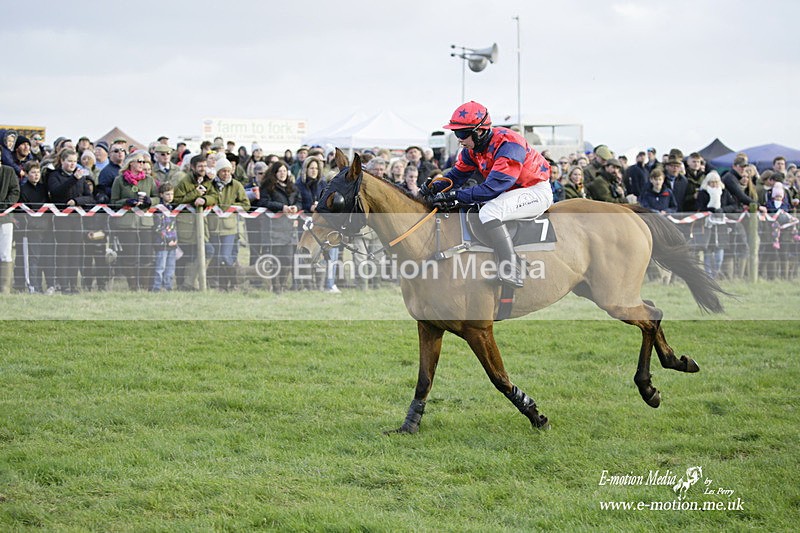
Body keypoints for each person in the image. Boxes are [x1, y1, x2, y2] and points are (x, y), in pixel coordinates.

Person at [428, 101, 552, 288]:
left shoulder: (509, 144)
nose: (459, 139)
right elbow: (456, 176)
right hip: (510, 192)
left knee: (489, 212)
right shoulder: (473, 149)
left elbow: (492, 188)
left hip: (534, 190)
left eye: (461, 134)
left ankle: (512, 270)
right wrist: (431, 188)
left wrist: (454, 196)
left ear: (479, 131)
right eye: (456, 133)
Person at [47, 148, 94, 293]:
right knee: (63, 252)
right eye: (69, 161)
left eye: (75, 161)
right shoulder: (54, 175)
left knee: (75, 252)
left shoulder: (81, 177)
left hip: (76, 219)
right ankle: (63, 284)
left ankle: (74, 284)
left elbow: (90, 197)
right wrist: (73, 179)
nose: (73, 164)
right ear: (62, 161)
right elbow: (56, 192)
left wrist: (76, 200)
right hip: (61, 220)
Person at [110, 151, 159, 291]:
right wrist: (126, 201)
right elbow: (113, 202)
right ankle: (132, 285)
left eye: (144, 162)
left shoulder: (149, 180)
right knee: (129, 255)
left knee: (147, 255)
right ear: (131, 163)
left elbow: (157, 198)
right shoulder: (119, 180)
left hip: (145, 224)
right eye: (139, 161)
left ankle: (144, 285)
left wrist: (150, 201)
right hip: (127, 223)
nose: (142, 164)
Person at [173, 155, 218, 290]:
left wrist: (205, 200)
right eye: (200, 166)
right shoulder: (184, 181)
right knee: (188, 256)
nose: (203, 169)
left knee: (207, 251)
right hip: (186, 226)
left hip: (201, 226)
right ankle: (184, 284)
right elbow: (176, 200)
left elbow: (215, 196)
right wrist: (194, 194)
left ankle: (190, 282)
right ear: (193, 167)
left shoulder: (208, 181)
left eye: (205, 166)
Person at [257, 161, 300, 293]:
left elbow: (299, 200)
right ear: (274, 173)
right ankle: (275, 286)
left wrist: (296, 207)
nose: (282, 174)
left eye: (284, 171)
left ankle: (282, 284)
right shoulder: (267, 186)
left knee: (287, 258)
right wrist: (281, 207)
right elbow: (264, 202)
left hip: (289, 227)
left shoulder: (293, 187)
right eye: (280, 171)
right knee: (275, 257)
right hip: (273, 227)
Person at [207, 158, 249, 290]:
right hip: (213, 226)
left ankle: (234, 280)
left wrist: (231, 207)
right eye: (223, 171)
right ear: (218, 172)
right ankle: (223, 285)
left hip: (230, 228)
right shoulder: (210, 185)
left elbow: (246, 204)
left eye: (228, 171)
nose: (226, 174)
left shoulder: (236, 185)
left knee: (226, 256)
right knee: (217, 257)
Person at [16, 161, 55, 292]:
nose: (36, 175)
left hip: (47, 227)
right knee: (33, 259)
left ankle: (50, 285)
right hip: (32, 229)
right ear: (26, 174)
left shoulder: (44, 188)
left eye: (38, 172)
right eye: (33, 172)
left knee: (47, 257)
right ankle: (34, 286)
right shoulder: (23, 189)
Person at [151, 183, 178, 292]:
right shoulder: (158, 209)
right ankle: (157, 287)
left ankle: (168, 286)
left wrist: (175, 239)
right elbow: (158, 227)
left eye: (172, 194)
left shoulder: (173, 208)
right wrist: (167, 240)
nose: (170, 196)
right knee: (160, 267)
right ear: (161, 195)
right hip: (161, 243)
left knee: (170, 267)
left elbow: (174, 226)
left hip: (173, 242)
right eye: (167, 194)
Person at [0, 158, 20, 293]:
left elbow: (15, 191)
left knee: (5, 253)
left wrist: (4, 206)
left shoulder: (8, 171)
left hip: (5, 218)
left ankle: (4, 288)